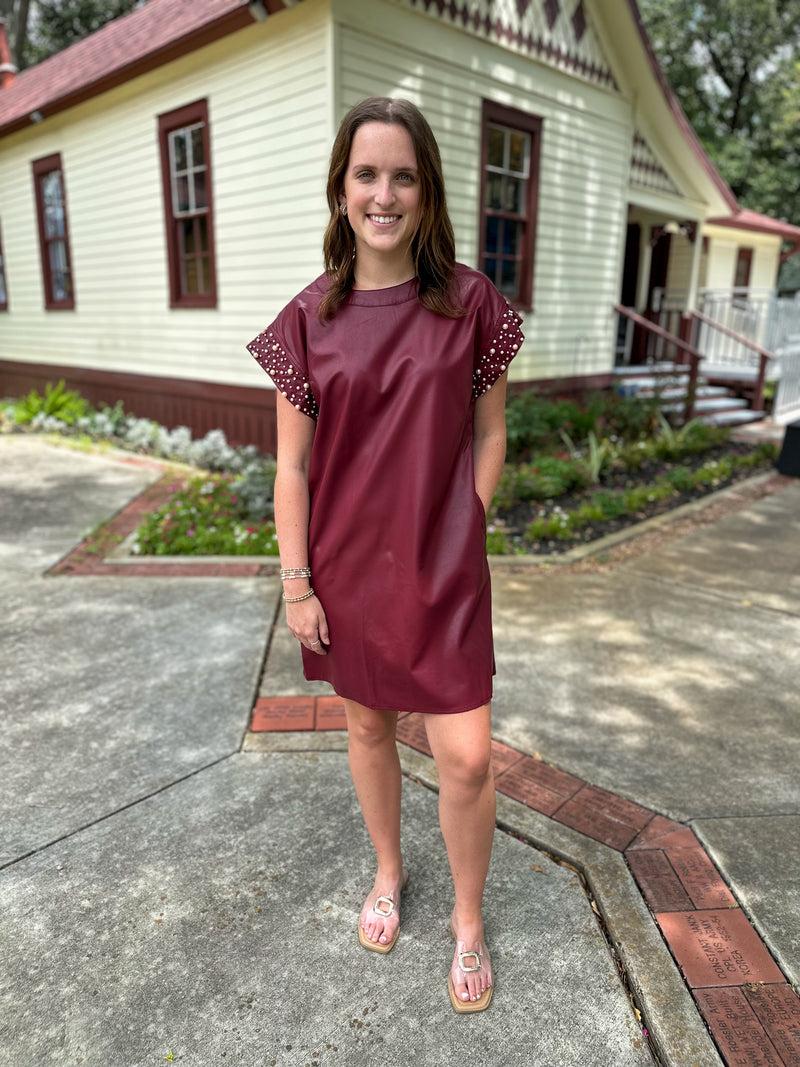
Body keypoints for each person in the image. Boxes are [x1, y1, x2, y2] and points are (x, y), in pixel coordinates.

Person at [246, 96, 524, 1013]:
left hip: (446, 575)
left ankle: (470, 919)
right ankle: (390, 872)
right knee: (367, 729)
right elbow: (290, 467)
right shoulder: (306, 321)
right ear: (340, 189)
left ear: (427, 190)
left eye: (403, 174)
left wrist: (464, 521)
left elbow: (491, 436)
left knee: (469, 758)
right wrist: (298, 583)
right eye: (367, 173)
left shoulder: (472, 304)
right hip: (348, 572)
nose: (384, 192)